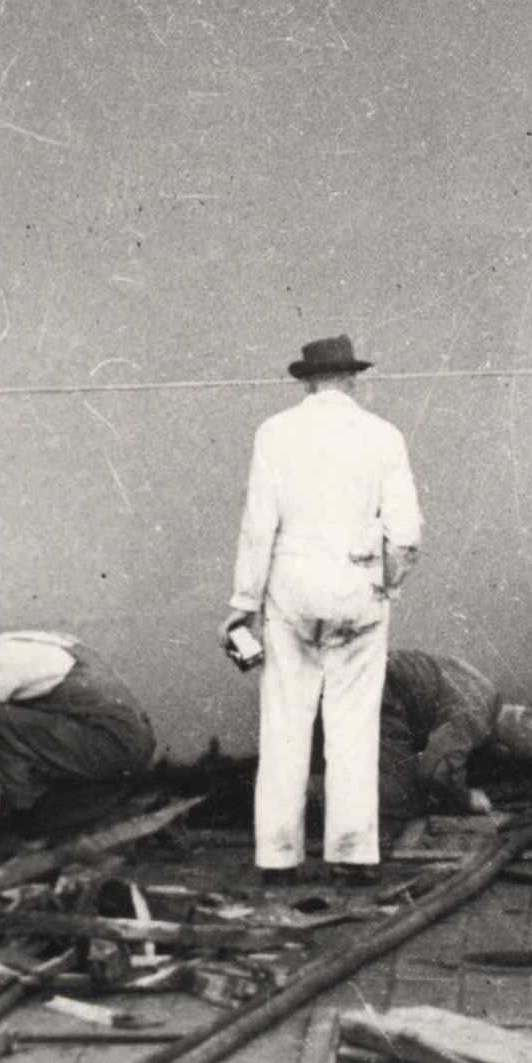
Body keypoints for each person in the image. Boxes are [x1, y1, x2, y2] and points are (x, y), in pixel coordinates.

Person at [227, 333, 424, 879]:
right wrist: (388, 583)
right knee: (354, 728)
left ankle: (278, 854)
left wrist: (245, 602)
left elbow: (258, 524)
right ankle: (354, 852)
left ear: (307, 380)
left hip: (291, 589)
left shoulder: (275, 433)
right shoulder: (384, 436)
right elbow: (405, 531)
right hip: (358, 586)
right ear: (353, 379)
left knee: (286, 724)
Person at [0, 600, 158, 837]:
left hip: (117, 745)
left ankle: (19, 813)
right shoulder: (17, 641)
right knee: (13, 724)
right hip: (132, 737)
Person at [377, 649, 532, 829]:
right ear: (503, 748)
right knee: (400, 799)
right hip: (386, 690)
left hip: (382, 671)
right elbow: (434, 771)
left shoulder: (485, 689)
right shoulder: (477, 718)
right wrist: (467, 798)